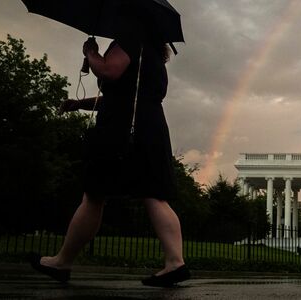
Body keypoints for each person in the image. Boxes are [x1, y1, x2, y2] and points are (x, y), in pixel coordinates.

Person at [29, 9, 189, 287]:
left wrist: (91, 53)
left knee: (94, 195)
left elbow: (109, 71)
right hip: (150, 127)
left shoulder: (129, 38)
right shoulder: (151, 51)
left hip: (120, 129)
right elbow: (123, 97)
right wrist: (80, 104)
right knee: (154, 195)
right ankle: (175, 262)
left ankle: (62, 262)